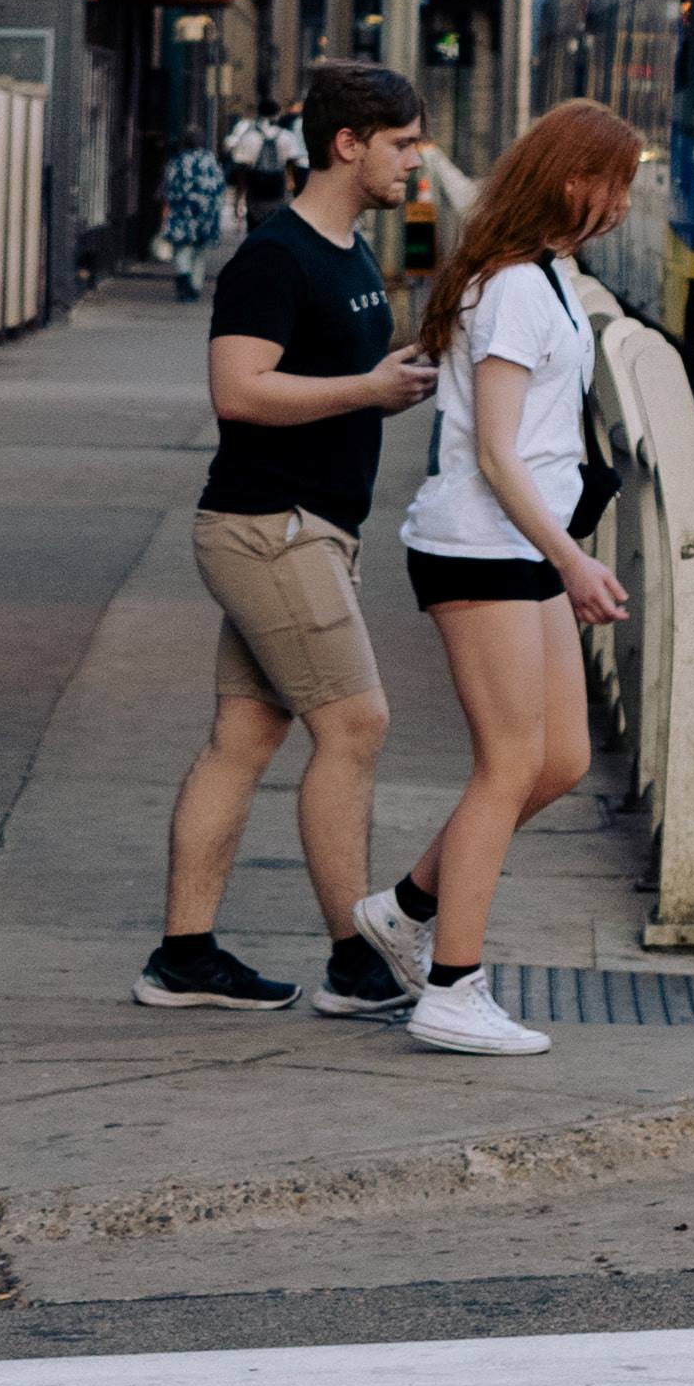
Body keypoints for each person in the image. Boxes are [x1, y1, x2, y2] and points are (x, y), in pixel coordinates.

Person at [143, 65, 442, 1019]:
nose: (417, 158)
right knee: (357, 724)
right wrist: (367, 390)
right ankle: (356, 960)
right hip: (273, 530)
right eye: (402, 142)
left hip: (304, 530)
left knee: (244, 737)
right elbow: (238, 389)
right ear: (348, 144)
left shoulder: (350, 253)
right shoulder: (276, 256)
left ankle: (183, 956)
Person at [387, 104, 648, 1053]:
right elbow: (496, 451)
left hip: (521, 545)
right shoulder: (512, 288)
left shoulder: (548, 273)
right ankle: (452, 989)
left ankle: (409, 904)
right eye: (611, 182)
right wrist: (575, 558)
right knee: (508, 762)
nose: (619, 204)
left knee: (562, 759)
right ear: (568, 177)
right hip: (481, 546)